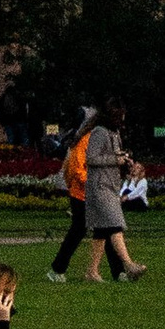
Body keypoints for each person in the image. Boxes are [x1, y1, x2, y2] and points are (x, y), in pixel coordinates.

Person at [80, 107, 146, 284]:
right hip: (100, 186)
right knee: (115, 224)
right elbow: (91, 158)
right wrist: (114, 160)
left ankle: (91, 272)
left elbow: (113, 157)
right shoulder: (99, 132)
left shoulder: (114, 133)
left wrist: (125, 161)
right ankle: (129, 264)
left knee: (101, 231)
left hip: (110, 185)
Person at [47, 110, 94, 282]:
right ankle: (58, 268)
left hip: (85, 191)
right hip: (82, 192)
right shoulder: (85, 141)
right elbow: (76, 169)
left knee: (105, 230)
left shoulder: (87, 139)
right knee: (82, 230)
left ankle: (118, 269)